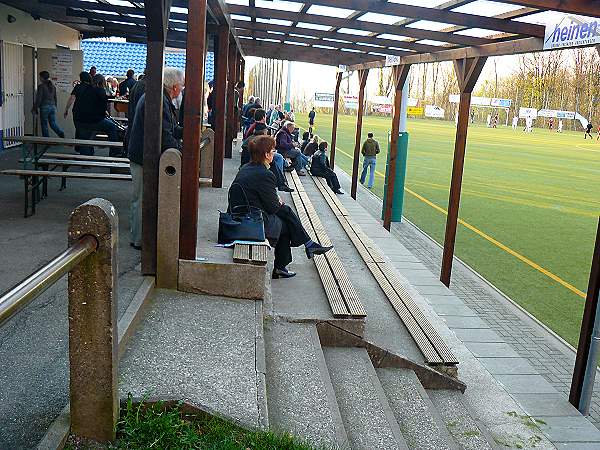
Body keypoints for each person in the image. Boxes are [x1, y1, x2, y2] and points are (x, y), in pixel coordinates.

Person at [229, 135, 332, 279]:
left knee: (285, 217)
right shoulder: (264, 174)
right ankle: (296, 254)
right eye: (272, 150)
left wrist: (277, 202)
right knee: (285, 220)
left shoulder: (247, 168)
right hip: (251, 221)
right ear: (266, 154)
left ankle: (304, 248)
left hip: (242, 214)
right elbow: (273, 208)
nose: (274, 153)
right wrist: (278, 202)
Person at [127, 67, 184, 250]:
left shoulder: (159, 97)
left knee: (141, 198)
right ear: (174, 86)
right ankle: (140, 240)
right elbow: (165, 135)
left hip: (142, 155)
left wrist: (186, 132)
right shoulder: (158, 99)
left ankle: (140, 238)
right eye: (181, 86)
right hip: (143, 157)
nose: (182, 89)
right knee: (143, 199)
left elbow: (168, 129)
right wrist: (180, 152)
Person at [64, 72, 118, 155]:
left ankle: (85, 161)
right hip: (94, 120)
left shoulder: (83, 88)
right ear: (102, 82)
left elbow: (75, 100)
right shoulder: (100, 90)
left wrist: (66, 110)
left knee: (85, 137)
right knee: (112, 127)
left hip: (80, 119)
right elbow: (103, 108)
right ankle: (114, 153)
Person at [32, 70, 65, 138]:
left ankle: (46, 141)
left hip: (44, 107)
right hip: (52, 106)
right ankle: (60, 133)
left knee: (44, 124)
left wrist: (35, 108)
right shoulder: (53, 86)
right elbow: (55, 98)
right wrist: (55, 106)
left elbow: (39, 99)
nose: (39, 78)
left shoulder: (41, 86)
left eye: (40, 77)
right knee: (53, 123)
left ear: (42, 78)